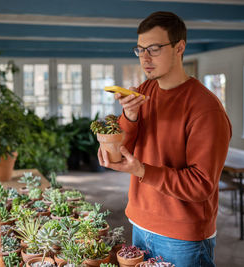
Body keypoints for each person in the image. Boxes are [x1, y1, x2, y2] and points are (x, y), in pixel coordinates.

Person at [97, 11, 232, 267]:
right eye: (140, 50)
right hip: (139, 223)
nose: (145, 58)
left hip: (182, 238)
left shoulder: (206, 108)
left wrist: (141, 170)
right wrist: (130, 115)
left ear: (179, 47)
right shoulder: (142, 92)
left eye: (155, 49)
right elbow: (121, 150)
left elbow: (201, 184)